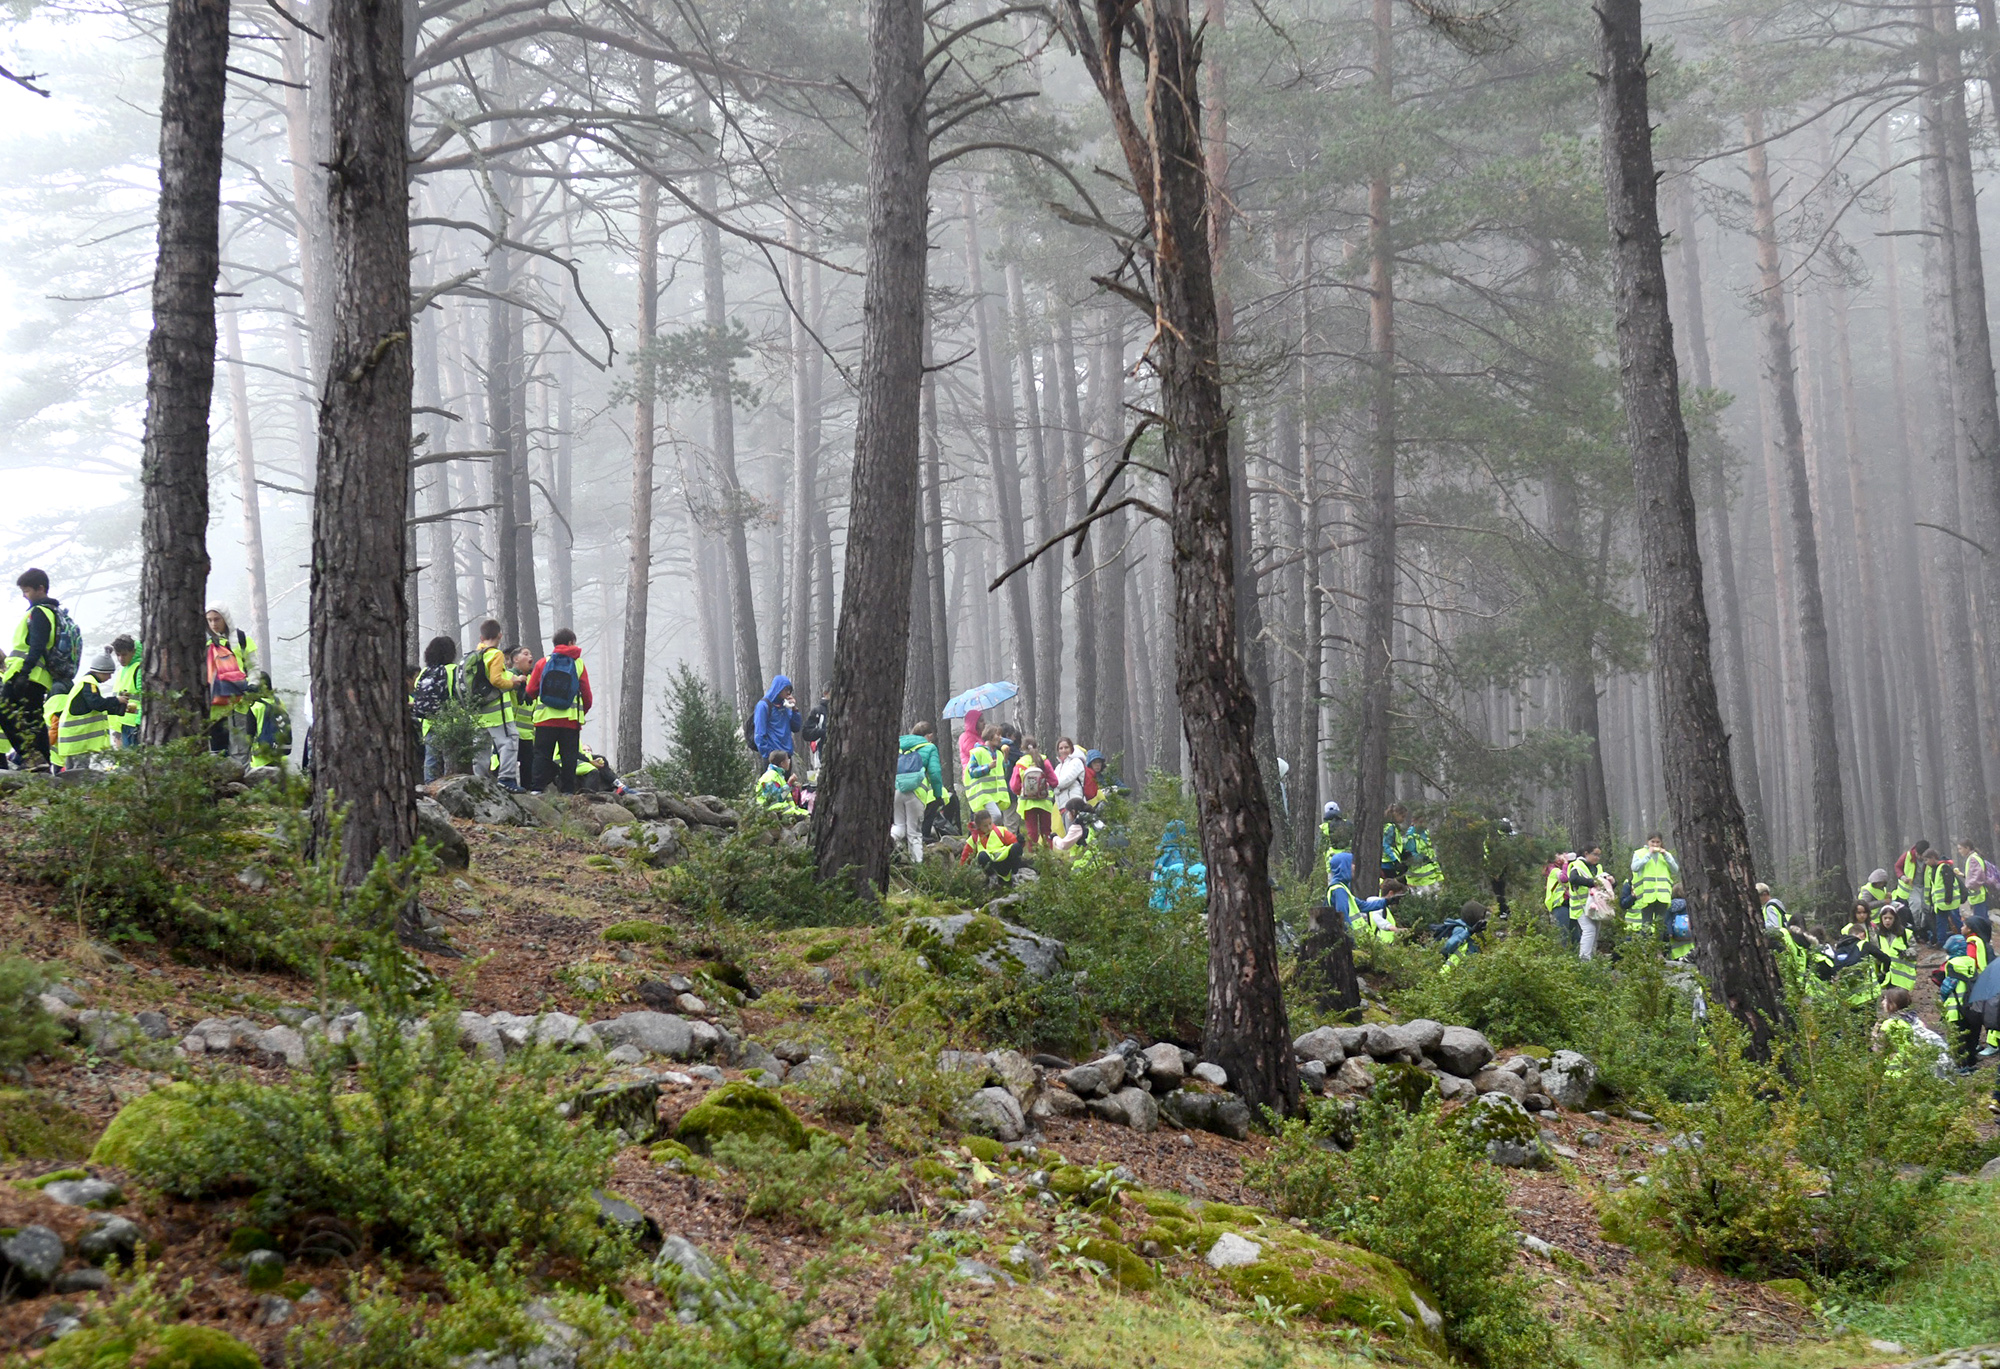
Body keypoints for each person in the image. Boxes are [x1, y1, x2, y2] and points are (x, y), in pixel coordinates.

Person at [1, 569, 70, 773]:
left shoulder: (39, 612)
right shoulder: (51, 612)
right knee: (34, 717)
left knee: (5, 711)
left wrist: (24, 672)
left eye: (27, 590)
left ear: (41, 588)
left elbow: (37, 645)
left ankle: (31, 756)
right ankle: (41, 762)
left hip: (26, 674)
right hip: (37, 676)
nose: (24, 595)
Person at [526, 628, 592, 794]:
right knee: (569, 757)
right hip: (570, 721)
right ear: (570, 642)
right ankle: (568, 791)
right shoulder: (578, 664)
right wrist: (581, 712)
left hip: (545, 719)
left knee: (542, 755)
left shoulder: (543, 662)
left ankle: (537, 789)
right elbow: (587, 694)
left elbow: (531, 690)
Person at [458, 620, 522, 790]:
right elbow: (495, 679)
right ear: (499, 635)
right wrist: (512, 683)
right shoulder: (496, 654)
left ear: (481, 637)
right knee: (509, 741)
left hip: (479, 712)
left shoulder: (476, 655)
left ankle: (480, 780)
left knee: (481, 746)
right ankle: (507, 779)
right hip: (497, 712)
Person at [47, 652, 126, 771]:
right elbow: (96, 704)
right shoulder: (89, 683)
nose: (109, 677)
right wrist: (117, 700)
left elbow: (90, 709)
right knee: (80, 772)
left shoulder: (84, 682)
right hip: (79, 740)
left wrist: (115, 708)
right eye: (108, 674)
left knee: (70, 771)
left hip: (73, 739)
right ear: (100, 671)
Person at [204, 609, 256, 760]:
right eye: (210, 620)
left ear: (225, 618)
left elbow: (254, 667)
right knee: (218, 751)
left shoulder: (241, 639)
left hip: (240, 702)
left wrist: (253, 685)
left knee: (240, 749)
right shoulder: (203, 643)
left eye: (217, 619)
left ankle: (241, 780)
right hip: (215, 706)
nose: (213, 624)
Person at [893, 721, 944, 863]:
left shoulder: (898, 744)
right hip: (916, 794)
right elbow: (935, 774)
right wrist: (938, 795)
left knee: (899, 826)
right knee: (914, 833)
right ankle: (917, 867)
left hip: (897, 791)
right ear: (929, 735)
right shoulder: (929, 747)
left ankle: (890, 840)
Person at [1875, 987, 1952, 1080]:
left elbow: (1878, 1049)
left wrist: (1874, 1033)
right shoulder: (1916, 1021)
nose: (1882, 1003)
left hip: (1896, 1070)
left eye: (1886, 1000)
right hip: (1916, 1068)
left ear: (1894, 1004)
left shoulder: (1889, 1024)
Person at [411, 636, 459, 783]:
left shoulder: (425, 672)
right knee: (450, 759)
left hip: (429, 721)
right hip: (450, 720)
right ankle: (449, 788)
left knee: (431, 759)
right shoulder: (453, 670)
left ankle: (428, 787)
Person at [1326, 848, 1398, 944]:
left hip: (1358, 939)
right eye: (1351, 863)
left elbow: (1363, 905)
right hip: (1355, 941)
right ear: (1343, 866)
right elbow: (1342, 917)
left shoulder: (1342, 888)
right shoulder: (1338, 890)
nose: (1354, 867)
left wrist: (1386, 901)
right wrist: (1350, 940)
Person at [1935, 935, 1983, 1073]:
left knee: (1957, 1040)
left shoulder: (1952, 965)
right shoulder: (1970, 962)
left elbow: (1947, 987)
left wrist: (1942, 997)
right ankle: (1972, 1064)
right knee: (1971, 1039)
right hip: (1970, 1008)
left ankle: (1961, 1067)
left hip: (1955, 1009)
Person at [1628, 833, 1679, 938]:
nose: (1655, 844)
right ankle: (1646, 950)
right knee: (1646, 923)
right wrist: (1648, 855)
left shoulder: (1665, 855)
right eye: (1653, 842)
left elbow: (1675, 869)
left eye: (1658, 842)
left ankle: (1658, 950)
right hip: (1646, 895)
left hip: (1662, 895)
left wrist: (1666, 855)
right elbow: (1635, 867)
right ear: (1648, 842)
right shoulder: (1640, 853)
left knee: (1660, 924)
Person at [1011, 737, 1058, 849]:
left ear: (1022, 748)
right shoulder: (1044, 761)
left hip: (1027, 803)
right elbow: (1054, 782)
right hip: (1044, 801)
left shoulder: (1020, 763)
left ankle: (1033, 855)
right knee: (1046, 831)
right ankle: (1048, 856)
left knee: (1032, 832)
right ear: (1037, 746)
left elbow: (1014, 786)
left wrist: (1022, 791)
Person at [962, 724, 1009, 824]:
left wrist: (1005, 758)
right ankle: (982, 832)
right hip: (983, 794)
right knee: (996, 816)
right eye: (998, 735)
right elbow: (972, 771)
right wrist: (987, 767)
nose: (1000, 738)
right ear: (990, 735)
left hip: (995, 794)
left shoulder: (999, 753)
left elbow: (1002, 771)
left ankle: (981, 836)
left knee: (991, 820)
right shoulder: (978, 752)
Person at [1564, 844, 1605, 955]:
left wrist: (1611, 881)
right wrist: (1592, 883)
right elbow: (1573, 879)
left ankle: (1592, 959)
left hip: (1595, 906)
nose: (1597, 858)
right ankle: (1584, 961)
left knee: (1595, 932)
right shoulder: (1576, 865)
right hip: (1580, 906)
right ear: (1586, 853)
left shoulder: (1598, 867)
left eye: (1599, 855)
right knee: (1589, 930)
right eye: (1595, 854)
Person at [961, 810, 1023, 882]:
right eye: (985, 826)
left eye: (990, 823)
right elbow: (964, 858)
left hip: (1006, 863)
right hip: (991, 866)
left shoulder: (1000, 831)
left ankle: (1014, 874)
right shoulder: (973, 839)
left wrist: (1021, 843)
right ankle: (993, 878)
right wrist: (959, 875)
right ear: (978, 826)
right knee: (982, 856)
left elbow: (1014, 844)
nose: (989, 827)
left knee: (1017, 847)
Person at [245, 672, 291, 768]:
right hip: (279, 755)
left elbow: (249, 734)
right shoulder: (279, 702)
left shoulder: (255, 706)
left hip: (260, 759)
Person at [752, 676, 801, 760]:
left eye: (789, 690)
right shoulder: (764, 706)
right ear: (778, 688)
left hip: (787, 755)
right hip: (773, 756)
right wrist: (768, 755)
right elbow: (759, 734)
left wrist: (794, 709)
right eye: (786, 689)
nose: (788, 693)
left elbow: (796, 727)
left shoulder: (785, 705)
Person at [509, 646, 537, 789]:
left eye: (531, 654)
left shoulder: (534, 679)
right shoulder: (509, 676)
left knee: (528, 766)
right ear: (515, 659)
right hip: (510, 731)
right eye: (525, 654)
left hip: (527, 734)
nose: (530, 656)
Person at [1926, 850, 1966, 947]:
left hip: (1949, 902)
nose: (1926, 863)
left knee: (1956, 920)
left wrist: (1948, 899)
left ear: (1932, 858)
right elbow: (1935, 887)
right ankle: (1941, 942)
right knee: (1941, 923)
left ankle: (1964, 938)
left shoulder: (1944, 867)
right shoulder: (1934, 869)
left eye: (1926, 860)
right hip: (1940, 904)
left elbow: (1949, 884)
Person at [1894, 840, 1932, 939]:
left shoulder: (1930, 857)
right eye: (1918, 854)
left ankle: (1924, 927)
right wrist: (1903, 877)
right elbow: (1897, 867)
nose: (1920, 857)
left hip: (1925, 886)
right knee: (1916, 905)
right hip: (1912, 886)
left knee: (1926, 908)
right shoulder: (1907, 856)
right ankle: (1917, 928)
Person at [755, 749, 808, 819]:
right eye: (787, 760)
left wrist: (791, 786)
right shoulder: (770, 777)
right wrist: (789, 783)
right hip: (775, 812)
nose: (789, 762)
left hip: (783, 810)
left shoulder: (777, 775)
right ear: (782, 763)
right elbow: (777, 798)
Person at [109, 635, 141, 747]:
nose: (120, 659)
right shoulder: (124, 670)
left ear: (133, 652)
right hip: (124, 723)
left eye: (124, 654)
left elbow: (145, 697)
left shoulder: (139, 668)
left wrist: (139, 721)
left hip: (135, 724)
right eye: (118, 655)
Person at [1960, 839, 1991, 928]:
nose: (1959, 851)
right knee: (1983, 919)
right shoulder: (1974, 857)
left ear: (1967, 848)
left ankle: (1984, 940)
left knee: (1980, 921)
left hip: (1978, 896)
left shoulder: (1973, 859)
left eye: (1960, 849)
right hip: (1978, 895)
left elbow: (1978, 877)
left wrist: (1968, 886)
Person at [800, 684, 830, 775]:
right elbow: (806, 733)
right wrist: (822, 733)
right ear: (825, 693)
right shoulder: (818, 711)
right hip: (821, 758)